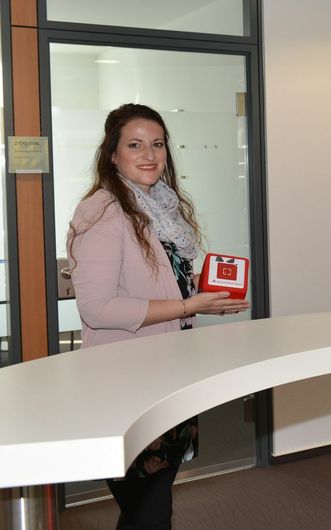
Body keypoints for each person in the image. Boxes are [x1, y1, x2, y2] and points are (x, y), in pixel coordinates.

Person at [68, 103, 251, 529]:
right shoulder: (102, 212)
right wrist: (189, 306)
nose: (149, 155)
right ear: (112, 154)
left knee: (148, 510)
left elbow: (163, 282)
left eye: (157, 144)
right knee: (149, 511)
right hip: (126, 382)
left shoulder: (160, 207)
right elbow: (97, 307)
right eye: (135, 145)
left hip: (169, 375)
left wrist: (202, 293)